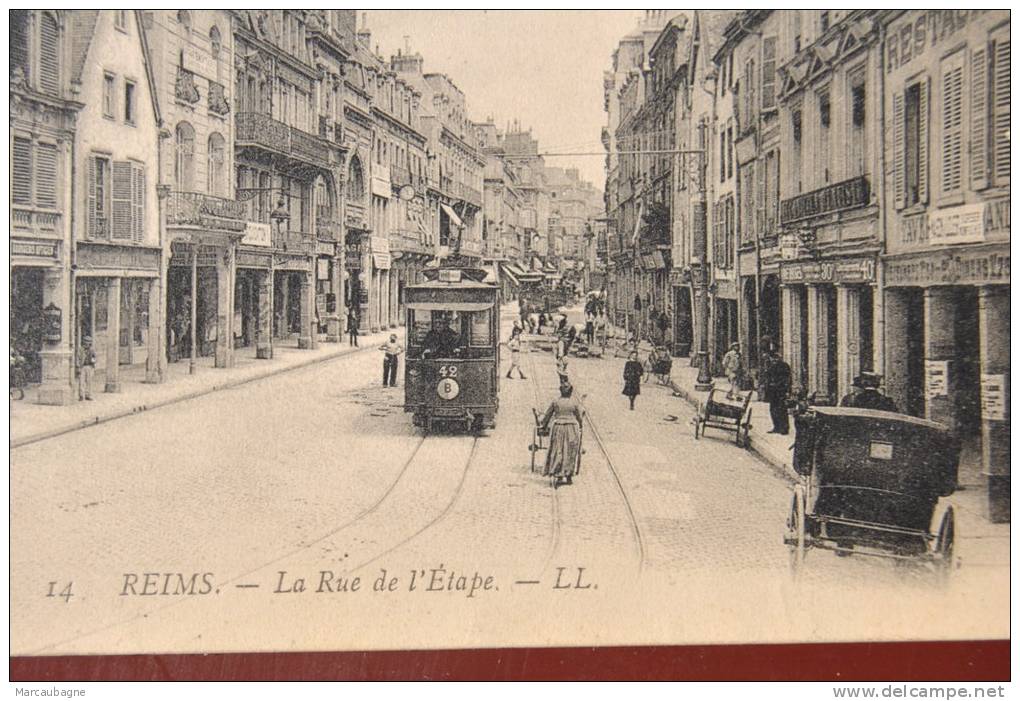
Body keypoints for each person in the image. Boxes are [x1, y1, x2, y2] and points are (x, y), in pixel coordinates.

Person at [539, 382, 584, 487]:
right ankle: (569, 475)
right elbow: (579, 417)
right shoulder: (575, 402)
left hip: (558, 427)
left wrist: (543, 424)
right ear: (571, 392)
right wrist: (580, 425)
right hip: (572, 428)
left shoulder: (556, 402)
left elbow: (547, 415)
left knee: (558, 450)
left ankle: (559, 474)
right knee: (570, 451)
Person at [761, 350, 792, 434]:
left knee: (782, 409)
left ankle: (784, 428)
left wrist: (787, 390)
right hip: (772, 391)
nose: (774, 360)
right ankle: (776, 427)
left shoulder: (784, 366)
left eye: (776, 358)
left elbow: (787, 379)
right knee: (773, 409)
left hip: (781, 390)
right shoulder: (771, 366)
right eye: (773, 358)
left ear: (779, 358)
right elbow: (767, 377)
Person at [77, 336, 97, 401]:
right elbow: (78, 358)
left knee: (89, 381)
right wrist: (78, 366)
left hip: (89, 366)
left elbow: (94, 357)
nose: (87, 343)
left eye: (88, 341)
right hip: (82, 366)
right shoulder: (81, 349)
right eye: (85, 341)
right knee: (81, 381)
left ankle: (88, 395)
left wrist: (93, 364)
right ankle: (81, 395)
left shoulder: (92, 350)